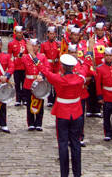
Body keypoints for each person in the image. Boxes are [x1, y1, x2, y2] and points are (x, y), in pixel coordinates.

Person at [34, 48, 85, 177]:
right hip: (77, 113)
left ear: (62, 66)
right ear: (73, 67)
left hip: (62, 113)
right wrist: (88, 53)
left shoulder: (58, 79)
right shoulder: (80, 79)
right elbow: (86, 67)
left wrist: (34, 57)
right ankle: (77, 173)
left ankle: (64, 174)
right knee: (76, 143)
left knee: (62, 144)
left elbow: (45, 70)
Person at [22, 38, 47, 131]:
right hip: (29, 83)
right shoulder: (25, 57)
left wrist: (42, 75)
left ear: (38, 47)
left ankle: (39, 123)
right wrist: (20, 54)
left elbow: (46, 67)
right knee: (29, 103)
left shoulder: (42, 57)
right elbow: (17, 64)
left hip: (39, 83)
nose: (34, 48)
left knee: (40, 103)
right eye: (32, 46)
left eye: (35, 46)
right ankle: (31, 123)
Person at [39, 26, 60, 106]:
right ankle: (50, 99)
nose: (52, 35)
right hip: (48, 66)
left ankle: (56, 99)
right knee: (49, 83)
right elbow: (42, 56)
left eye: (53, 34)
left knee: (56, 83)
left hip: (56, 66)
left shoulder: (58, 44)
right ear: (48, 34)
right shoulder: (44, 44)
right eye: (50, 34)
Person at [7, 25, 27, 106]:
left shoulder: (25, 42)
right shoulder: (11, 43)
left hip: (25, 65)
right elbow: (9, 55)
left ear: (22, 33)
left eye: (20, 33)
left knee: (25, 83)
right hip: (16, 66)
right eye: (17, 33)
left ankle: (25, 99)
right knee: (17, 83)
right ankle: (18, 99)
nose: (19, 34)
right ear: (15, 33)